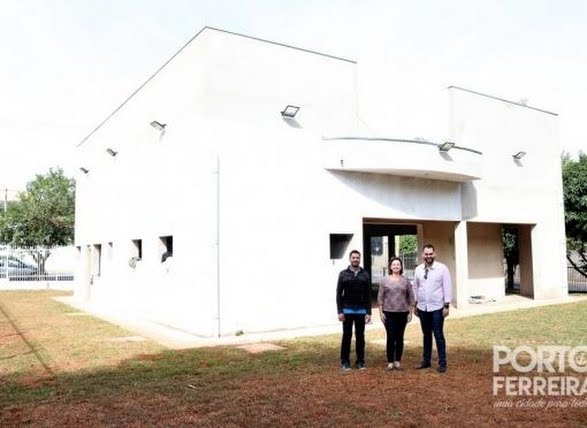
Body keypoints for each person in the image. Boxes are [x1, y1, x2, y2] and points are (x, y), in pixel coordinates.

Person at [413, 243, 452, 373]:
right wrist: (415, 304)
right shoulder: (418, 269)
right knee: (426, 335)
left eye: (431, 254)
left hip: (437, 307)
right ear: (422, 255)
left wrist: (446, 305)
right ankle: (426, 361)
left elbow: (447, 286)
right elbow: (416, 287)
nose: (428, 256)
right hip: (423, 307)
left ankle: (442, 362)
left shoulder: (442, 268)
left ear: (434, 254)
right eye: (426, 254)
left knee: (438, 335)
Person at [336, 250, 372, 371]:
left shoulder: (365, 274)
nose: (355, 259)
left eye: (357, 257)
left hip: (361, 310)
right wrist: (340, 311)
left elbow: (368, 294)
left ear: (360, 259)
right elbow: (338, 294)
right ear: (350, 259)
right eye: (353, 257)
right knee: (347, 336)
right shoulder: (343, 274)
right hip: (347, 309)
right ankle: (345, 362)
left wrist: (368, 312)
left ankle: (360, 361)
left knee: (360, 337)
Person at [378, 257, 415, 371]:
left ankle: (397, 361)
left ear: (401, 266)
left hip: (402, 313)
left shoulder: (406, 280)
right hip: (388, 313)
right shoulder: (384, 280)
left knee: (399, 337)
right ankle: (390, 362)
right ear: (390, 266)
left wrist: (410, 313)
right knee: (391, 337)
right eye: (394, 264)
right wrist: (380, 312)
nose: (396, 266)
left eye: (398, 264)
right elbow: (380, 297)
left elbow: (411, 297)